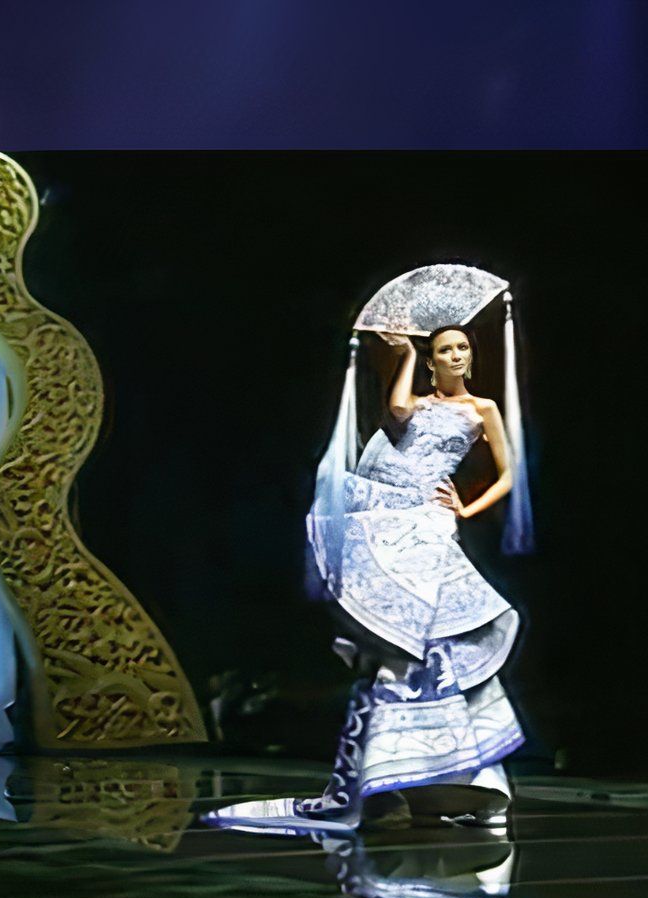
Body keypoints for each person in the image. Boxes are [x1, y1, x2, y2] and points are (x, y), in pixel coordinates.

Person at [205, 324, 525, 832]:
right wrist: (404, 355)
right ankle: (393, 776)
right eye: (445, 349)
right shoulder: (418, 402)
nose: (457, 355)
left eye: (462, 347)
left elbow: (509, 474)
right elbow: (396, 410)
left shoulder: (482, 407)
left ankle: (452, 774)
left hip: (431, 519)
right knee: (394, 640)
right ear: (433, 359)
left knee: (431, 634)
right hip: (390, 510)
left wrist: (467, 508)